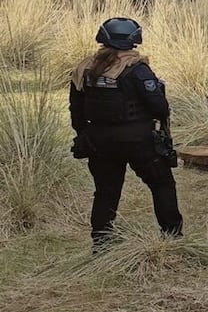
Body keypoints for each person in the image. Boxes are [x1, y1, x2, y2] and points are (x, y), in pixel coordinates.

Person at [69, 17, 183, 251]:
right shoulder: (137, 69)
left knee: (106, 191)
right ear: (134, 40)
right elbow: (160, 107)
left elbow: (76, 109)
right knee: (162, 184)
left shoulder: (85, 69)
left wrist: (86, 135)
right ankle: (172, 237)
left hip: (98, 141)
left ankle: (101, 243)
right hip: (138, 141)